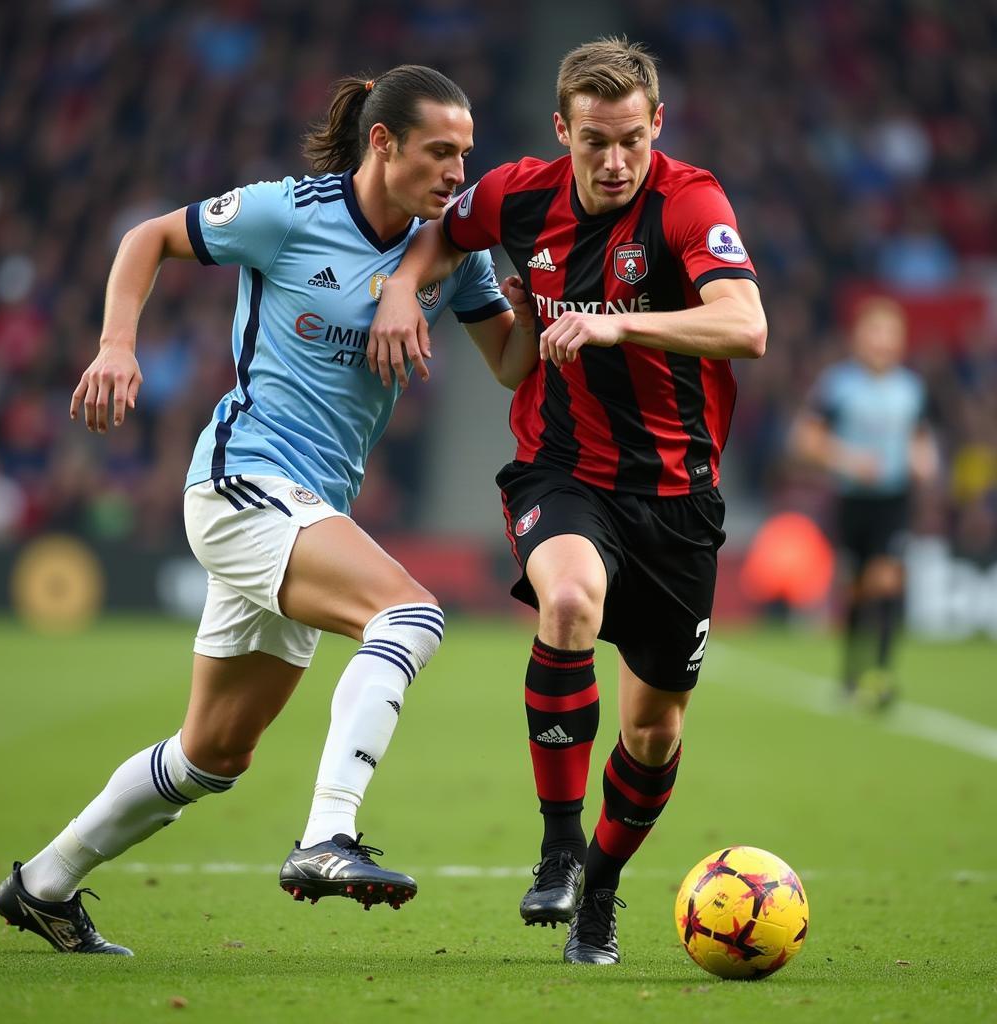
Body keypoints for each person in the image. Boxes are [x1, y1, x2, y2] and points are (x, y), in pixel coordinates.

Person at [0, 65, 537, 956]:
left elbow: (509, 367)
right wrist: (116, 346)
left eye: (466, 154)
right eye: (440, 152)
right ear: (382, 142)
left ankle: (42, 886)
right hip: (242, 478)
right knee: (409, 612)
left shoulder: (455, 251)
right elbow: (147, 238)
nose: (456, 171)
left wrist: (541, 316)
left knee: (213, 756)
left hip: (309, 505)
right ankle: (328, 835)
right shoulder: (288, 211)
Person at [370, 38, 767, 965]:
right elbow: (440, 228)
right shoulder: (519, 192)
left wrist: (618, 323)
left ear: (657, 126)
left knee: (655, 732)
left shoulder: (690, 200)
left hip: (677, 497)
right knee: (569, 601)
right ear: (563, 131)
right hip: (562, 471)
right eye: (595, 141)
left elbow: (746, 325)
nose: (615, 160)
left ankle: (601, 886)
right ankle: (556, 843)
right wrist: (399, 287)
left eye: (631, 138)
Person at [792, 297, 937, 707]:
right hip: (851, 500)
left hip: (893, 500)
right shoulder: (838, 385)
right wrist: (849, 460)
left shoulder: (911, 388)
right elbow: (805, 438)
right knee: (856, 588)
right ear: (858, 338)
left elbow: (922, 438)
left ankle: (882, 673)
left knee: (886, 579)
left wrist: (924, 460)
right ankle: (852, 673)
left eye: (890, 334)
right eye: (875, 332)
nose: (882, 342)